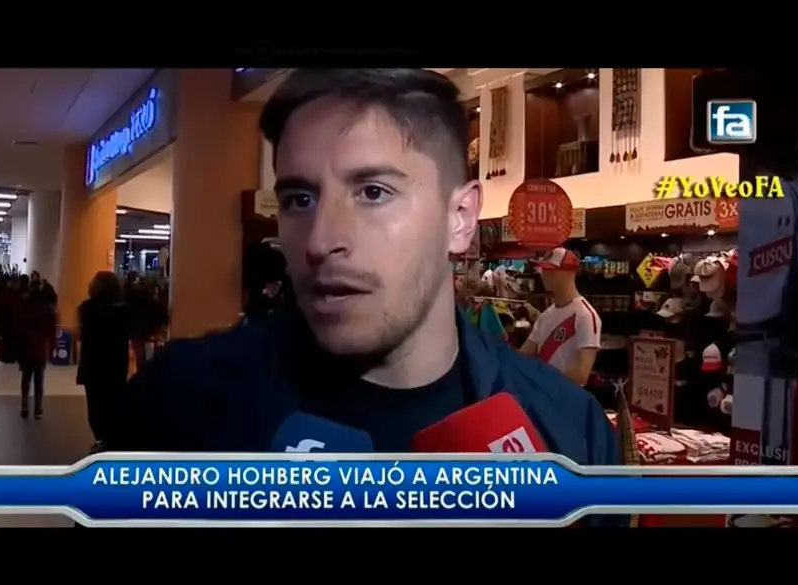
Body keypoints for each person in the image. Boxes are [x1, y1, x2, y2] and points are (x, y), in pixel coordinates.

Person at [101, 70, 619, 515]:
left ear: (460, 219)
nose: (321, 241)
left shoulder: (570, 433)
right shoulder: (178, 405)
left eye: (373, 192)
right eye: (300, 199)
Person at [520, 248, 602, 386]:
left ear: (567, 273)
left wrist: (541, 376)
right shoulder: (545, 316)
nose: (544, 274)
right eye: (543, 269)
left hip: (566, 397)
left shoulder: (585, 316)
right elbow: (522, 356)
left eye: (550, 270)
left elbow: (581, 374)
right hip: (542, 394)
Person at [77, 271, 131, 450]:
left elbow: (82, 335)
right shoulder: (124, 312)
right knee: (114, 404)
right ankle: (112, 439)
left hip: (93, 365)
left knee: (95, 406)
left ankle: (100, 438)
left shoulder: (86, 309)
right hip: (116, 365)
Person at [14, 281, 56, 419]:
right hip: (40, 349)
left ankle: (24, 407)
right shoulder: (47, 310)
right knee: (39, 381)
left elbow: (18, 328)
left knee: (26, 379)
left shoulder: (24, 307)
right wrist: (51, 349)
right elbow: (51, 332)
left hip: (26, 348)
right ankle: (38, 410)